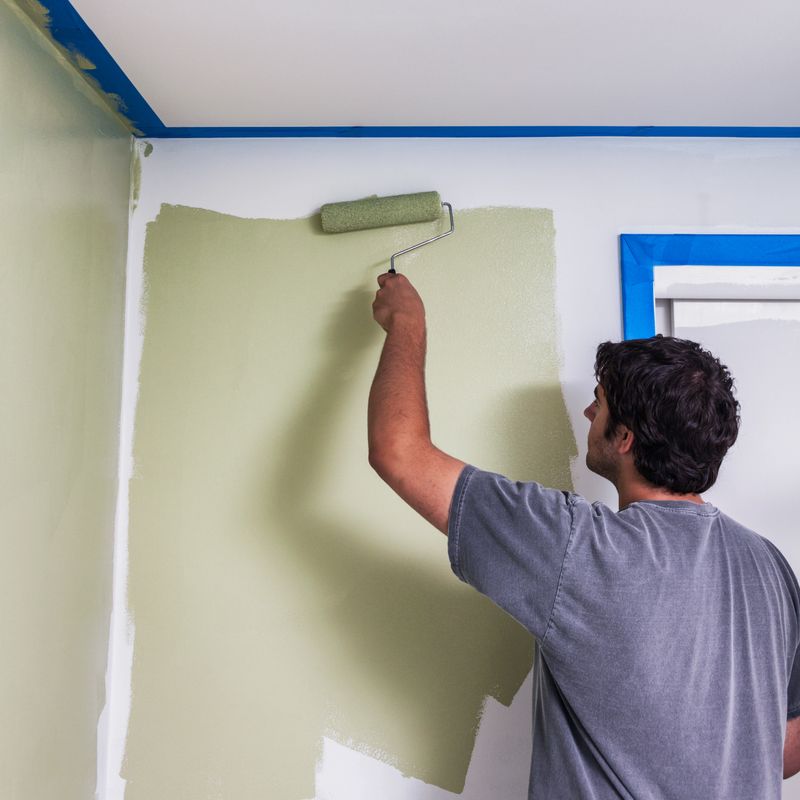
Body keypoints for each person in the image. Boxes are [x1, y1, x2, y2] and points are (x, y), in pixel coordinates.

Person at [367, 271, 800, 799]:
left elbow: (399, 452)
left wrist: (407, 324)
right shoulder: (768, 565)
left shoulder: (579, 546)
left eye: (599, 402)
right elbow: (783, 747)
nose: (588, 411)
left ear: (625, 438)